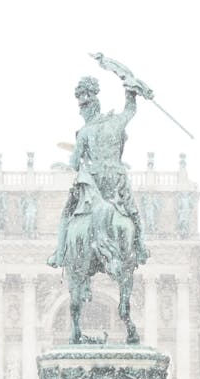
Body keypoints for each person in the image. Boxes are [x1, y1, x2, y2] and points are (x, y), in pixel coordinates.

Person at [47, 75, 149, 269]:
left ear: (87, 109)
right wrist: (131, 92)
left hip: (94, 183)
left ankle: (59, 254)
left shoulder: (85, 132)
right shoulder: (116, 122)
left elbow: (76, 163)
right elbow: (130, 109)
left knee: (67, 214)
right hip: (117, 180)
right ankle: (141, 247)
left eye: (81, 109)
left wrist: (71, 161)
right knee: (134, 213)